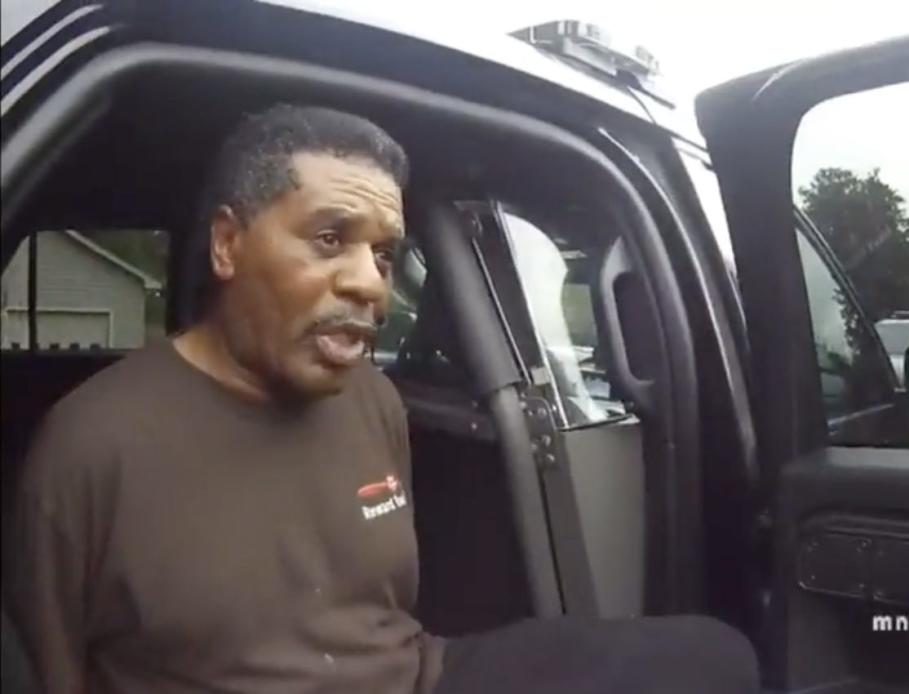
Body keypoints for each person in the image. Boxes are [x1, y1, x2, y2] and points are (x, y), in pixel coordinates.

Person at [3, 104, 759, 694]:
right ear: (228, 245)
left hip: (418, 676)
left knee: (715, 658)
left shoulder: (374, 401)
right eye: (330, 239)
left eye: (385, 253)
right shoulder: (89, 445)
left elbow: (389, 617)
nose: (371, 283)